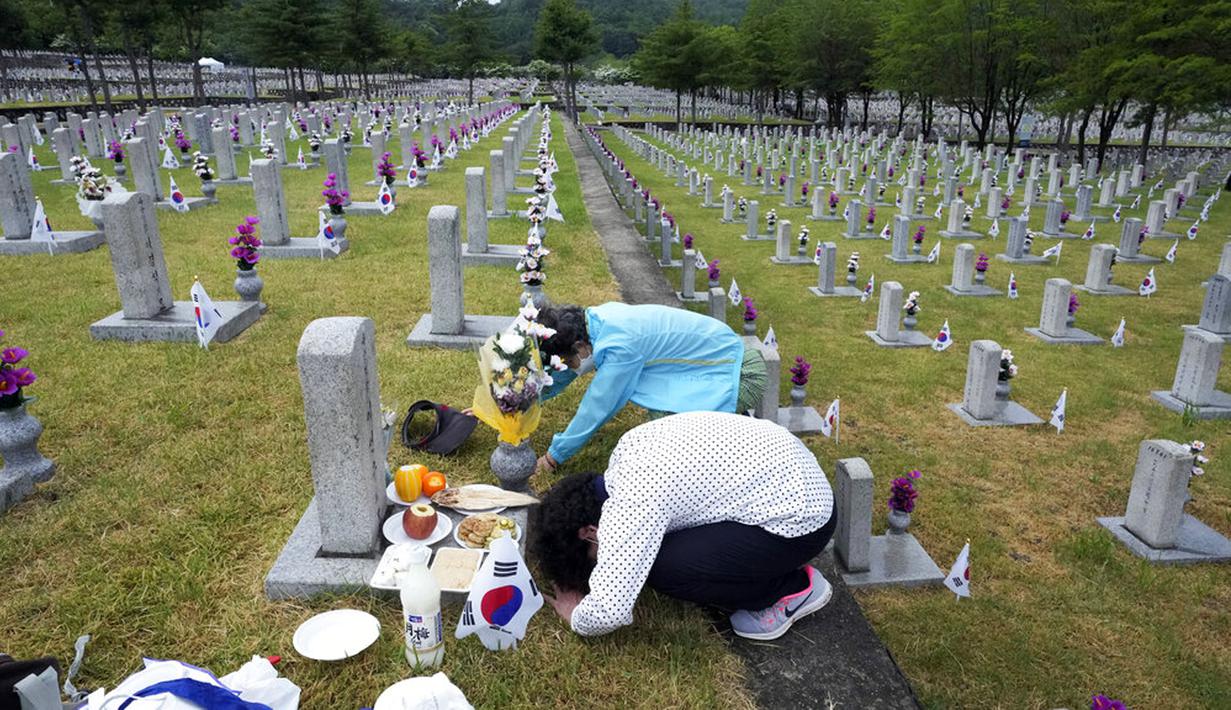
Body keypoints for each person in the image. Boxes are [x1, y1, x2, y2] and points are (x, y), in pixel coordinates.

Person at [528, 411, 836, 640]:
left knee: (662, 568)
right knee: (666, 549)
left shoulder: (631, 504)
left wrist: (575, 616)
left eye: (592, 556)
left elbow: (609, 611)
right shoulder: (628, 449)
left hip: (803, 522)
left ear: (590, 532)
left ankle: (791, 591)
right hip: (796, 477)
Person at [533, 302, 766, 473]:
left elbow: (598, 406)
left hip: (739, 374)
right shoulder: (596, 319)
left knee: (666, 435)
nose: (568, 364)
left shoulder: (621, 348)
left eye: (567, 358)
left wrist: (554, 457)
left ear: (579, 346)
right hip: (726, 355)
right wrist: (533, 397)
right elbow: (567, 371)